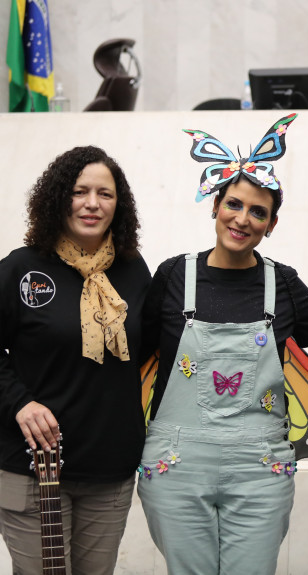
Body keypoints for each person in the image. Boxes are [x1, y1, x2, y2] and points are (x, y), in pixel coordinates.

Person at [137, 114, 308, 575]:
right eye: (234, 204)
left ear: (272, 223)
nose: (242, 219)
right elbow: (131, 356)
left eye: (258, 212)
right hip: (175, 464)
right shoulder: (172, 276)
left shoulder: (282, 283)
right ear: (214, 206)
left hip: (260, 466)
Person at [0, 146, 150, 575]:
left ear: (118, 205)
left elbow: (160, 346)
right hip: (34, 468)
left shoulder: (133, 271)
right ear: (57, 197)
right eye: (80, 191)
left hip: (110, 470)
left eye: (105, 193)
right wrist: (19, 402)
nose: (91, 203)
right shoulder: (22, 269)